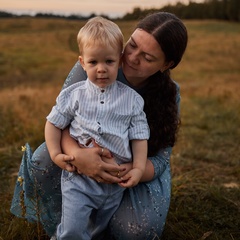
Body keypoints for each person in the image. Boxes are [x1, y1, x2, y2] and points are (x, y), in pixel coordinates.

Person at [11, 12, 188, 239]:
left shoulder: (169, 94)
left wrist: (130, 170)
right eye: (132, 45)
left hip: (134, 168)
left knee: (135, 231)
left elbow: (161, 159)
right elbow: (61, 121)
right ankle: (71, 220)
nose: (132, 57)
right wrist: (78, 155)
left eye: (147, 57)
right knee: (43, 159)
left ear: (166, 64)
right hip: (82, 153)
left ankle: (109, 215)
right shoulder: (96, 64)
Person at [45, 16, 149, 239]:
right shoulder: (74, 95)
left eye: (109, 62)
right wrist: (55, 154)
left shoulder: (131, 100)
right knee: (73, 229)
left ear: (120, 60)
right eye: (93, 63)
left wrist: (138, 168)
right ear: (82, 62)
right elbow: (53, 123)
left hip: (115, 181)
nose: (101, 69)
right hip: (79, 179)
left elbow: (140, 137)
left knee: (98, 230)